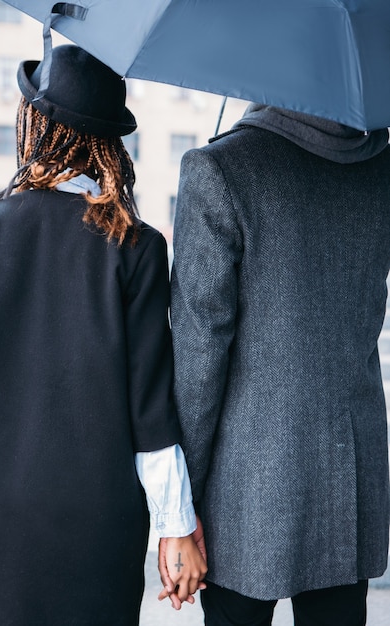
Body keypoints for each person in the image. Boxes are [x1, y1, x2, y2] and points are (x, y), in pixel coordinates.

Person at [0, 44, 206, 625]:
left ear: (35, 129)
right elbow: (151, 409)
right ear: (108, 143)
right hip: (95, 527)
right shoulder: (138, 247)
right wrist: (177, 530)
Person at [169, 102, 390, 625]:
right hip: (349, 475)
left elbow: (199, 354)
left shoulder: (220, 169)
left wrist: (182, 498)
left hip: (241, 489)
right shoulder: (380, 166)